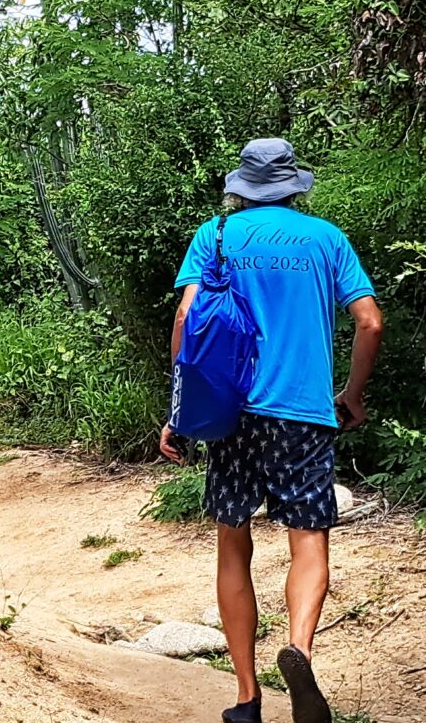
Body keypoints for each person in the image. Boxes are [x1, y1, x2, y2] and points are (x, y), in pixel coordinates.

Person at [159, 138, 384, 723]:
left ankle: (245, 698)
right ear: (292, 185)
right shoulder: (325, 239)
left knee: (233, 540)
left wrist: (179, 411)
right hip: (304, 412)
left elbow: (186, 317)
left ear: (243, 184)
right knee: (308, 540)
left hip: (231, 413)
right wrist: (351, 395)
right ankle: (300, 650)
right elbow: (370, 321)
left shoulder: (217, 236)